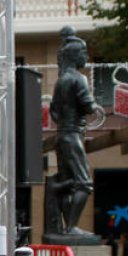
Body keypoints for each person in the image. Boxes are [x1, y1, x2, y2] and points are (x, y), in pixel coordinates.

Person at [45, 26, 102, 237]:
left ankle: (66, 227)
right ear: (75, 55)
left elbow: (53, 111)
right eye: (83, 53)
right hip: (73, 135)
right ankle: (71, 227)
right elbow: (88, 106)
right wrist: (96, 106)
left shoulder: (61, 80)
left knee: (69, 184)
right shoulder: (79, 79)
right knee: (84, 183)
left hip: (62, 135)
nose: (86, 57)